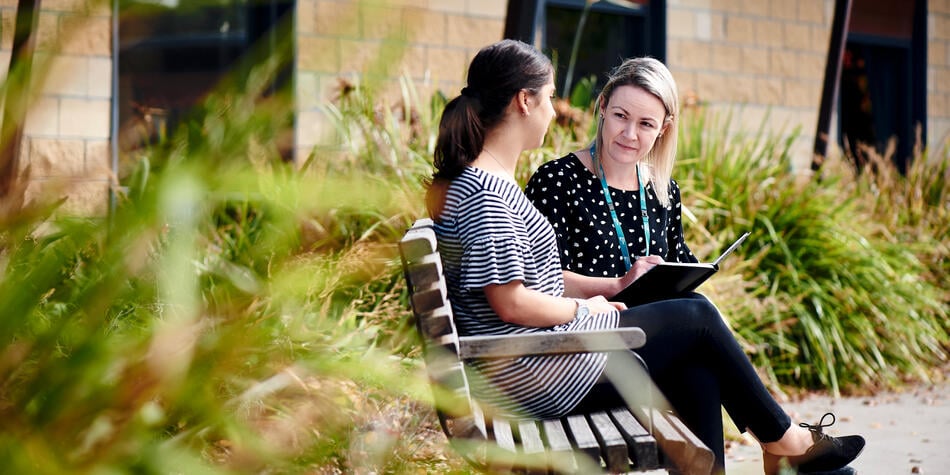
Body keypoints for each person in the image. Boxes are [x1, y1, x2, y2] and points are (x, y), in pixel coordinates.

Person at [427, 43, 864, 475]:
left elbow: (531, 285)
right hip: (538, 374)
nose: (556, 112)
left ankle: (784, 446)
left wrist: (610, 289)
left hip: (548, 359)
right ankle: (787, 441)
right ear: (525, 101)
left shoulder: (488, 182)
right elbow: (511, 302)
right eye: (552, 97)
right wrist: (585, 308)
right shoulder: (486, 191)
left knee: (698, 362)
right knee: (698, 318)